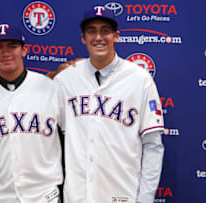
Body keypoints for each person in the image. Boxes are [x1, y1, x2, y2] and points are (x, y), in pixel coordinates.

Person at [51, 6, 165, 203]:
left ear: (116, 36)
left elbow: (153, 145)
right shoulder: (66, 79)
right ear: (83, 38)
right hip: (78, 195)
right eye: (91, 31)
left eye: (105, 30)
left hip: (122, 193)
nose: (98, 37)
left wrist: (145, 197)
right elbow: (32, 105)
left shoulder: (140, 79)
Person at [0, 23, 64, 203]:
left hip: (45, 196)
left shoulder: (52, 88)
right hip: (0, 196)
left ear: (24, 50)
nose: (5, 53)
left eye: (12, 46)